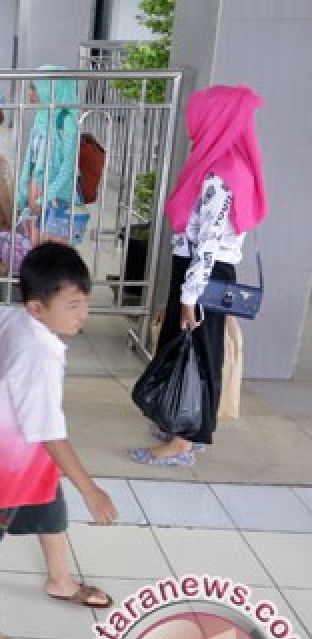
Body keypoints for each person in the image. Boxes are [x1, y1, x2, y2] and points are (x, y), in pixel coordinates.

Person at [0, 244, 116, 609]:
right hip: (7, 456)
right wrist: (92, 491)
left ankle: (60, 580)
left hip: (32, 452)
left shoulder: (17, 318)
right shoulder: (37, 356)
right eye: (73, 306)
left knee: (48, 507)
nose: (83, 314)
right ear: (37, 307)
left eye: (85, 303)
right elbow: (52, 435)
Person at [131, 85, 268, 467]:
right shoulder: (223, 163)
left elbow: (207, 243)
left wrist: (190, 296)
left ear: (215, 119)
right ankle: (189, 422)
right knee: (198, 347)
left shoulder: (220, 175)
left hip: (202, 273)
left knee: (196, 350)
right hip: (202, 272)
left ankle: (184, 441)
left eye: (198, 115)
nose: (192, 123)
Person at [17, 67, 81, 237]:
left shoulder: (67, 121)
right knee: (35, 245)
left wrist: (45, 197)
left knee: (53, 248)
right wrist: (22, 192)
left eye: (35, 87)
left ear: (51, 89)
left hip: (57, 196)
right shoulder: (40, 117)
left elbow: (68, 167)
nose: (30, 93)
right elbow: (30, 160)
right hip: (37, 189)